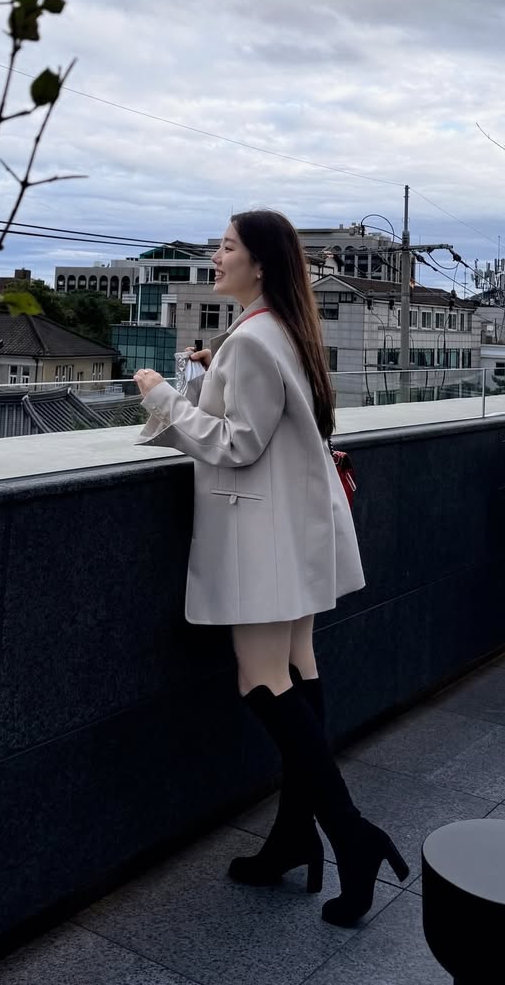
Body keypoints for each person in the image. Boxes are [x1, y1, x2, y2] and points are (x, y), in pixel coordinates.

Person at [133, 209, 408, 926]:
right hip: (295, 525)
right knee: (297, 666)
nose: (215, 257)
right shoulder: (280, 329)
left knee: (260, 680)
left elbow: (239, 444)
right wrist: (211, 375)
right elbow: (265, 420)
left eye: (226, 246)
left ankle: (350, 834)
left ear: (259, 263)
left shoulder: (252, 339)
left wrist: (161, 395)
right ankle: (294, 833)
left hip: (262, 535)